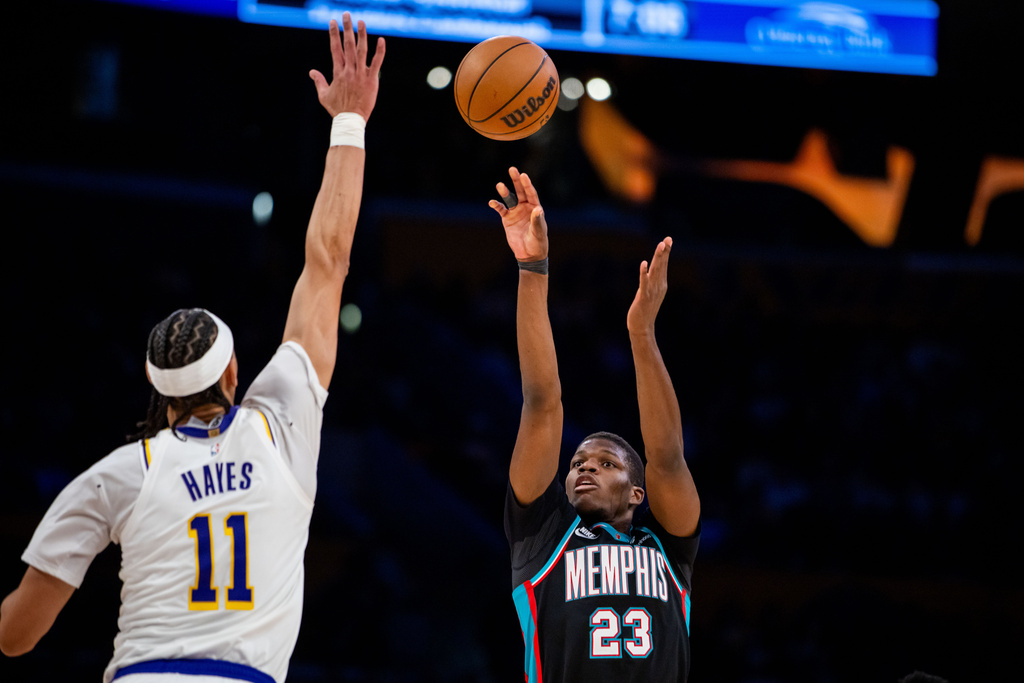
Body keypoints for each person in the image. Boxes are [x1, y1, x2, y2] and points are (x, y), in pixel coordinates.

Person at [0, 14, 384, 683]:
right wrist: (349, 121)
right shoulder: (279, 427)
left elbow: (16, 636)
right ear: (234, 370)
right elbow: (328, 260)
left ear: (157, 386)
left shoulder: (116, 474)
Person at [490, 167, 701, 682]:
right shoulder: (543, 536)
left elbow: (667, 457)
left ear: (637, 493)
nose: (584, 468)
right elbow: (542, 403)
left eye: (607, 464)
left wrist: (642, 334)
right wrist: (532, 267)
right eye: (578, 463)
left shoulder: (669, 552)